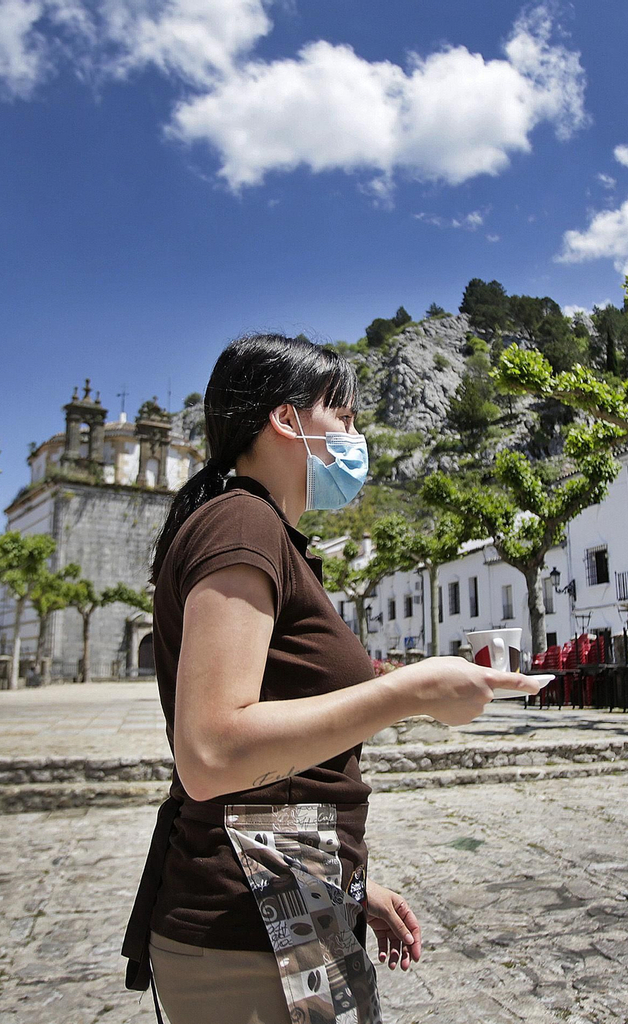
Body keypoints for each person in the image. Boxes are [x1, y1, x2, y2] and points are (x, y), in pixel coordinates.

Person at [122, 334, 536, 1024]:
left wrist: (349, 885)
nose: (356, 436)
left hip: (288, 884)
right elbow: (214, 751)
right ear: (286, 420)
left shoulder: (263, 533)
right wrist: (412, 693)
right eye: (342, 417)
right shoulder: (243, 522)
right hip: (251, 923)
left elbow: (278, 751)